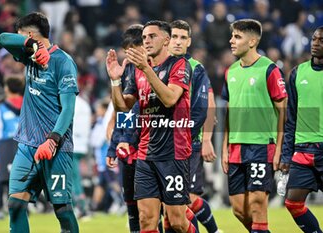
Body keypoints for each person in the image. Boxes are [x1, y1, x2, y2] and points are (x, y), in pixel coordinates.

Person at [106, 20, 196, 233]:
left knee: (177, 222)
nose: (146, 40)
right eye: (144, 37)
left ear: (166, 40)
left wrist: (146, 68)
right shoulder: (138, 71)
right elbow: (122, 107)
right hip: (145, 154)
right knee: (146, 220)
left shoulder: (179, 65)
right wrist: (115, 81)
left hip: (174, 153)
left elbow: (169, 99)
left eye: (152, 36)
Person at [0, 12, 79, 233]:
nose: (17, 38)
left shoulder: (63, 62)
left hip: (56, 148)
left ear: (31, 33)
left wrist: (52, 140)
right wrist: (31, 44)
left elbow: (69, 109)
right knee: (15, 205)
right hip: (27, 146)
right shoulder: (28, 55)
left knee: (62, 211)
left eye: (21, 34)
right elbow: (3, 39)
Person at [221, 19, 287, 233]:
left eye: (237, 37)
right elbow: (230, 111)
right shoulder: (230, 71)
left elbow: (282, 110)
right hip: (235, 148)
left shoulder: (269, 69)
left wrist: (279, 148)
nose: (231, 41)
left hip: (260, 146)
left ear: (252, 41)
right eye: (232, 36)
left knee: (258, 203)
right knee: (239, 209)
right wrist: (224, 147)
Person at [169, 19, 219, 233]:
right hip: (161, 144)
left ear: (189, 42)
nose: (178, 42)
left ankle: (214, 230)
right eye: (174, 37)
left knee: (186, 198)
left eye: (182, 38)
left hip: (189, 143)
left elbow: (209, 105)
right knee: (170, 203)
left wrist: (206, 139)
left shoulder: (196, 68)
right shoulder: (157, 65)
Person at [280, 26, 323, 233]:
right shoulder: (297, 73)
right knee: (293, 203)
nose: (316, 43)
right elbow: (291, 119)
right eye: (314, 38)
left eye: (321, 40)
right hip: (303, 151)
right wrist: (286, 155)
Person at [106, 24, 143, 233]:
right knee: (131, 202)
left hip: (151, 147)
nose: (128, 53)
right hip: (129, 149)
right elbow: (124, 112)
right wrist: (114, 146)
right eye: (126, 49)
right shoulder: (128, 69)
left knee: (158, 207)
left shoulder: (154, 69)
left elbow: (139, 110)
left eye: (133, 48)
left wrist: (126, 140)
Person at [0, 76, 24, 221]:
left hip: (6, 145)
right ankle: (24, 207)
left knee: (2, 179)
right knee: (23, 178)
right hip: (24, 144)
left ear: (7, 88)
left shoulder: (1, 108)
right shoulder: (27, 104)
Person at [72, 94, 92, 219]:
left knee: (73, 179)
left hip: (72, 145)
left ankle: (80, 208)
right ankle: (81, 207)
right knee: (76, 177)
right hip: (83, 144)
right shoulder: (84, 104)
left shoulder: (71, 101)